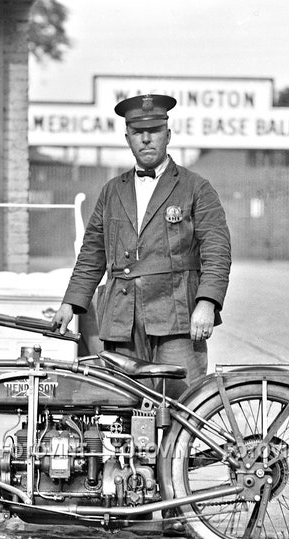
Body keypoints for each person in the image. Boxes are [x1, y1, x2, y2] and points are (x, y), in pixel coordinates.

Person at [53, 93, 231, 394]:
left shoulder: (196, 188)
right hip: (122, 320)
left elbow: (217, 251)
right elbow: (92, 253)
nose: (146, 140)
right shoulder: (112, 191)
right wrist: (70, 303)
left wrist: (207, 303)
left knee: (184, 404)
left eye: (154, 132)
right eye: (138, 133)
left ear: (168, 135)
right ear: (128, 138)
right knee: (125, 408)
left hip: (178, 319)